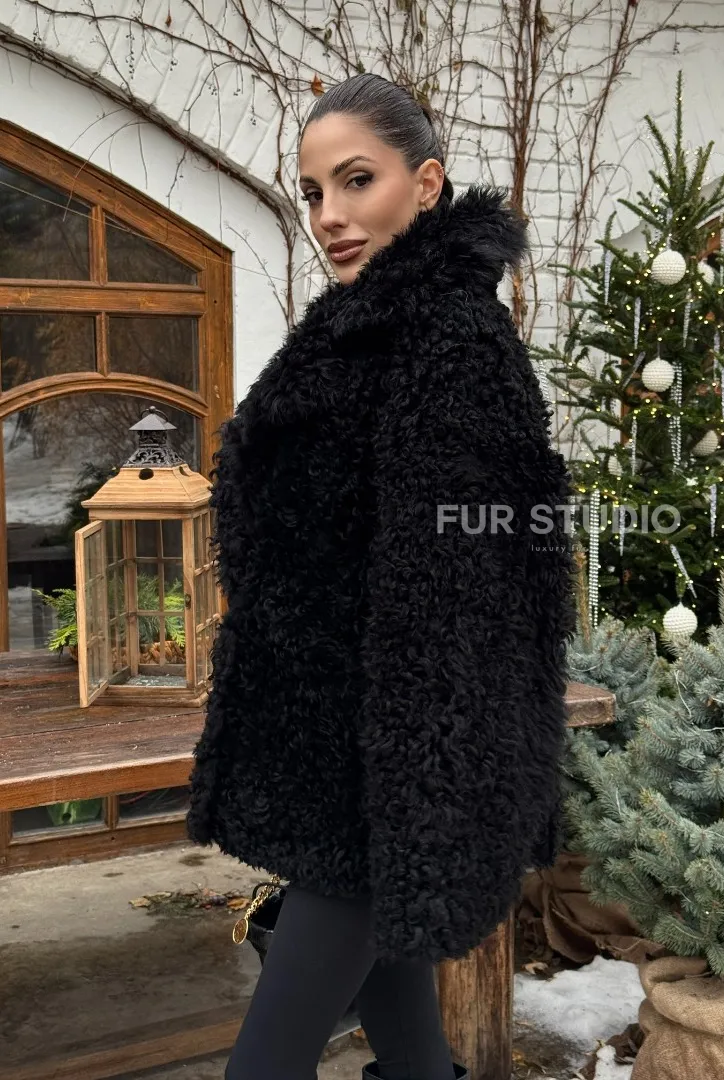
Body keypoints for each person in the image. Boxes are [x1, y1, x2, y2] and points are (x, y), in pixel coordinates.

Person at [186, 72, 576, 1080]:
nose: (329, 215)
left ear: (427, 183)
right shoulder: (360, 331)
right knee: (399, 1009)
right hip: (340, 739)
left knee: (265, 1059)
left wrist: (417, 792)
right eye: (314, 191)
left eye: (356, 180)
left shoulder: (449, 342)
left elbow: (465, 593)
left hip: (388, 761)